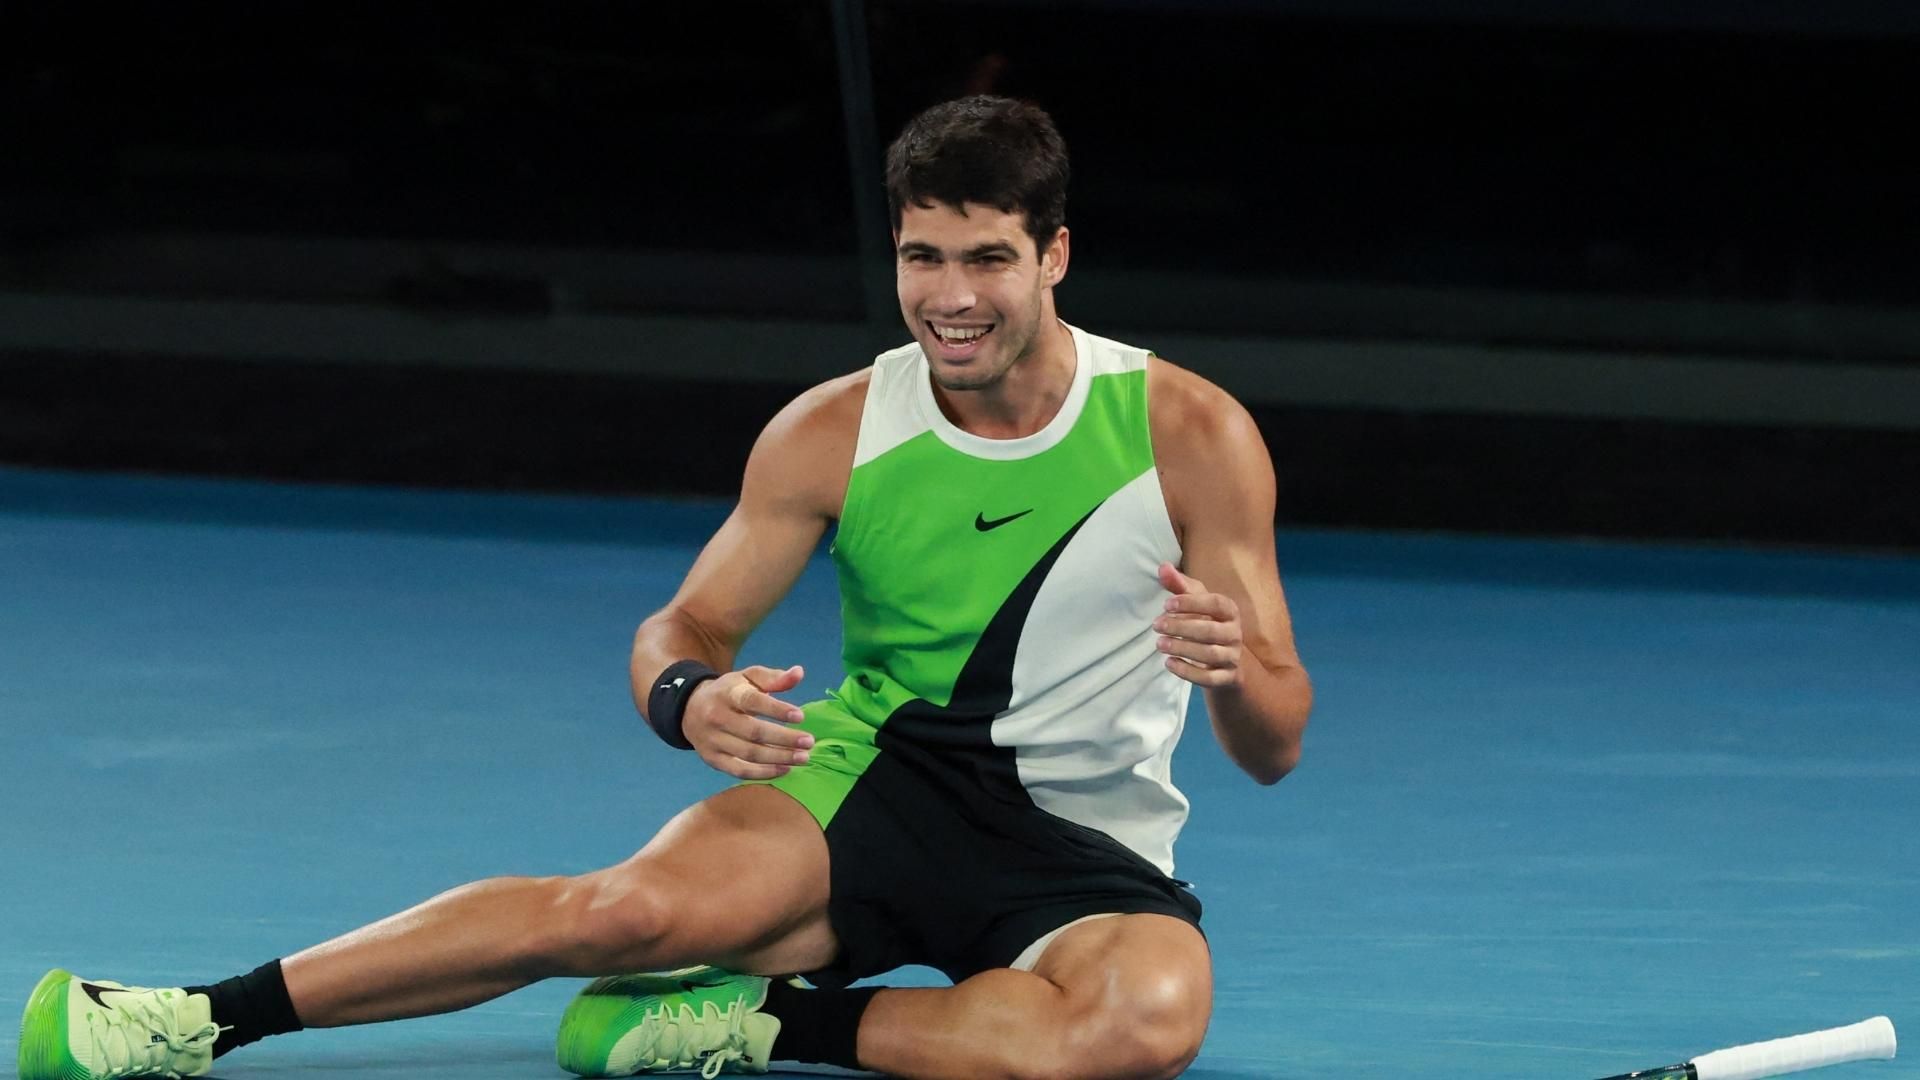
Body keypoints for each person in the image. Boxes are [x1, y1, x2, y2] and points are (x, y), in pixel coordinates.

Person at [18, 94, 1311, 1080]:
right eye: (924, 258)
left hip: (1086, 844)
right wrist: (688, 699)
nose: (951, 299)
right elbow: (684, 627)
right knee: (622, 910)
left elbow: (1275, 741)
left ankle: (762, 1024)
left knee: (1145, 1026)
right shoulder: (834, 430)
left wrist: (1231, 672)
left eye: (987, 260)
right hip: (873, 786)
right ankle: (191, 1019)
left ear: (1055, 255)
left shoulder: (1187, 432)